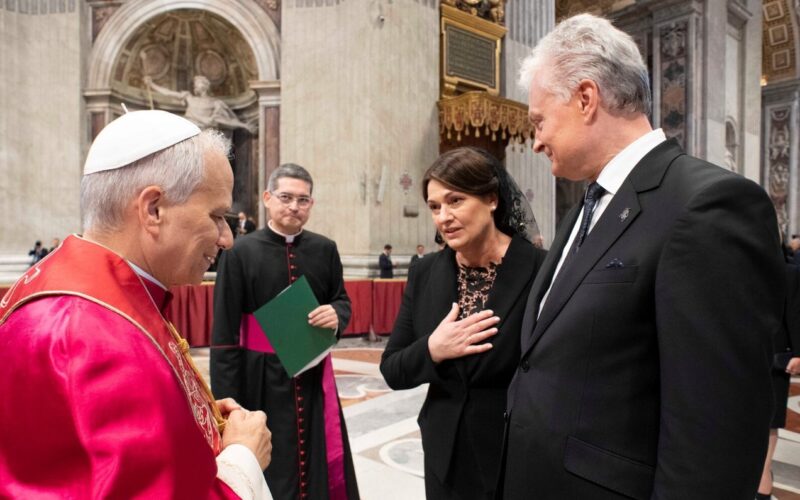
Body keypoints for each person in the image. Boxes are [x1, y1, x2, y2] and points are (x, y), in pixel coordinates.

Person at [501, 14, 784, 499]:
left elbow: (714, 436)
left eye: (539, 121)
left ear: (586, 98)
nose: (537, 140)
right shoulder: (583, 211)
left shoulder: (707, 206)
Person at [0, 110, 272, 498]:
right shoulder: (101, 339)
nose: (226, 238)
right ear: (153, 209)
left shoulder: (82, 292)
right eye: (216, 215)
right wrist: (243, 457)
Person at [380, 147, 546, 499]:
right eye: (434, 206)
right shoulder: (425, 272)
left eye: (455, 201)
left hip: (516, 453)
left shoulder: (541, 269)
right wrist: (433, 349)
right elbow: (392, 369)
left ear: (491, 199)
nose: (444, 217)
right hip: (446, 455)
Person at [211, 163, 359, 500]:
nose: (294, 206)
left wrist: (336, 314)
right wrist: (229, 402)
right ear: (267, 198)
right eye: (286, 197)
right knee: (271, 467)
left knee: (316, 463)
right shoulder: (240, 252)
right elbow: (224, 334)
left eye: (303, 200)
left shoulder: (325, 249)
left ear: (311, 204)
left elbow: (341, 299)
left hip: (311, 375)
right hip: (260, 378)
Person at [757, 248, 800, 499]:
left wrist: (798, 352)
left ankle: (763, 482)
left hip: (775, 356)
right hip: (743, 354)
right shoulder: (741, 267)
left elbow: (795, 313)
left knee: (770, 421)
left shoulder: (789, 273)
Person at [145, 74, 256, 133]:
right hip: (186, 131)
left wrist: (244, 126)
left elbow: (226, 120)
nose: (195, 86)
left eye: (197, 83)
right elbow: (169, 93)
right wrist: (152, 84)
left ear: (205, 86)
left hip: (203, 134)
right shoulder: (189, 97)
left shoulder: (215, 103)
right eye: (195, 84)